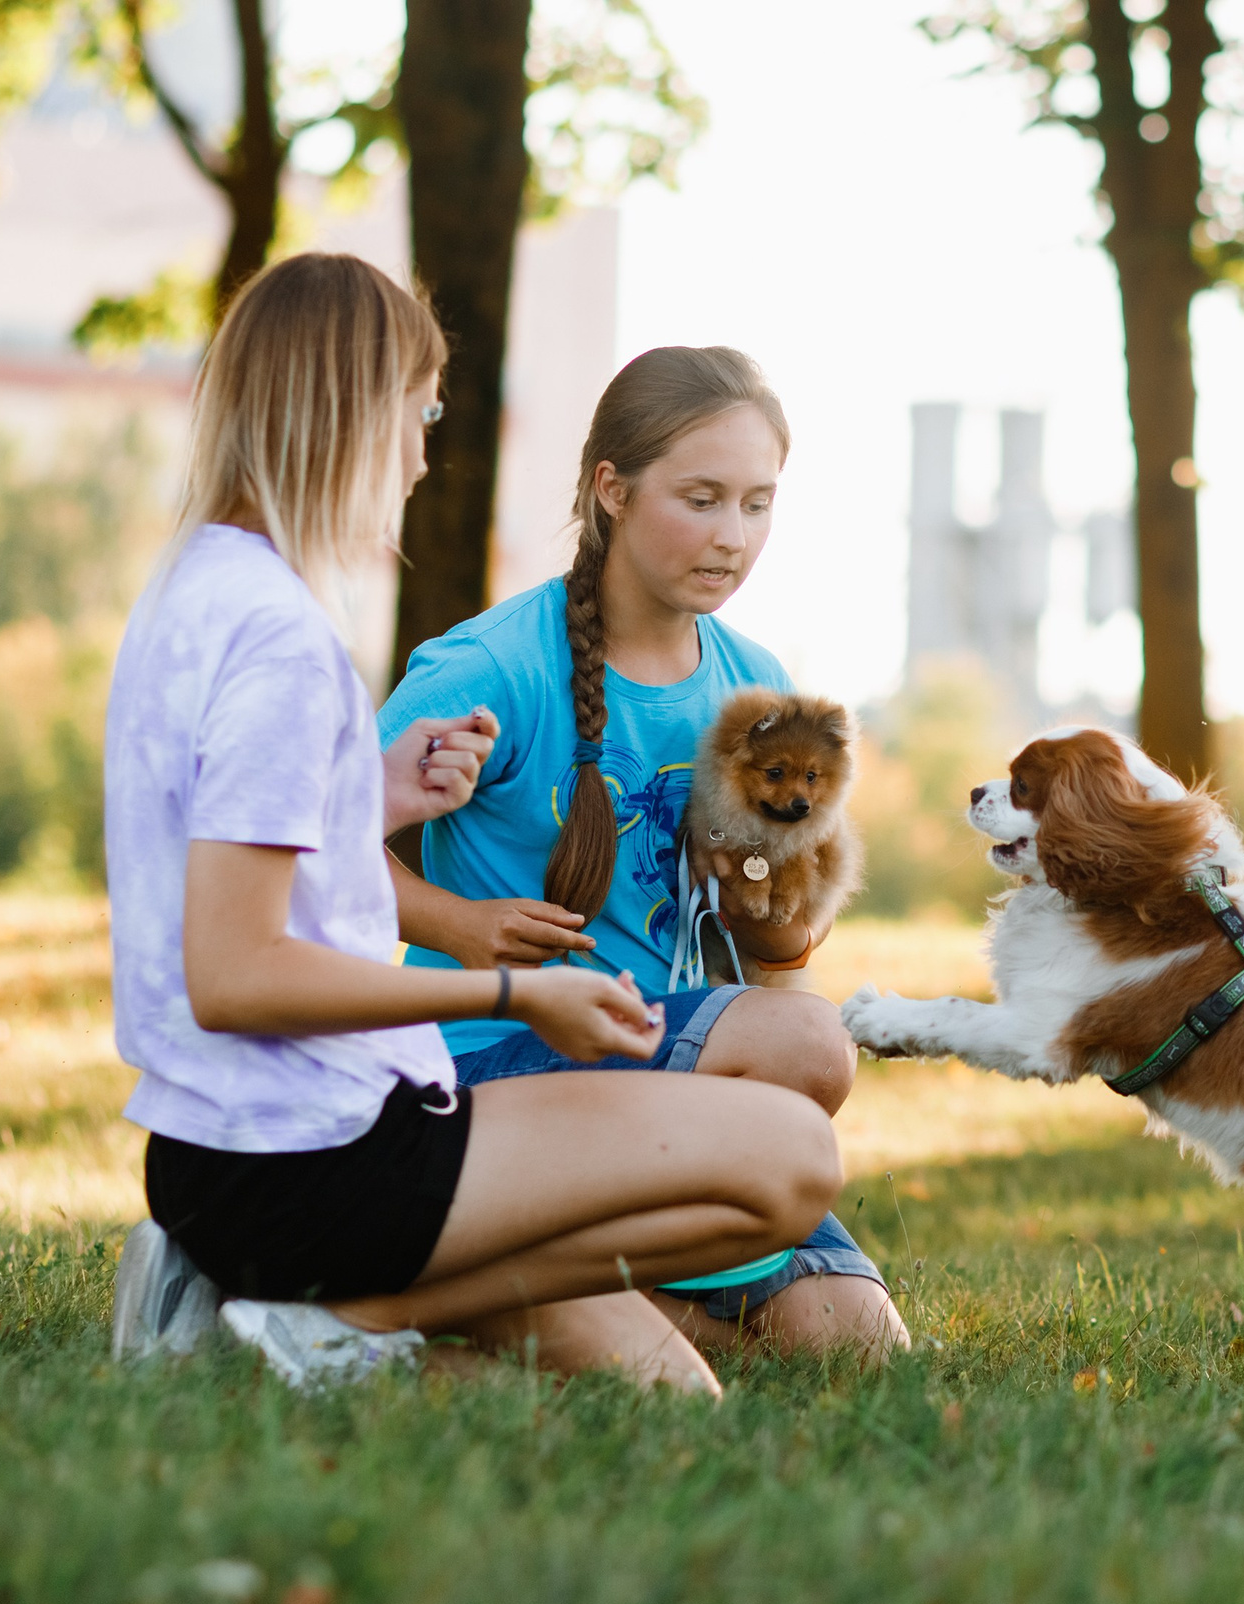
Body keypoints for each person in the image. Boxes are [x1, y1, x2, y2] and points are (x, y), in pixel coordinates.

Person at [104, 255, 844, 1395]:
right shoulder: (285, 639)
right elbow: (236, 974)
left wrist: (373, 795)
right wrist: (511, 991)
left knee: (669, 1394)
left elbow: (217, 849)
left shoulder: (200, 589)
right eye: (422, 413)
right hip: (305, 1154)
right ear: (352, 412)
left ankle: (335, 1326)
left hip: (240, 1146)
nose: (421, 453)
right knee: (792, 1156)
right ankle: (322, 1306)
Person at [377, 345, 908, 1361]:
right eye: (700, 499)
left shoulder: (754, 681)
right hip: (487, 1067)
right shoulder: (491, 664)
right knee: (807, 1046)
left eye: (756, 504)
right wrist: (457, 924)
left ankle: (502, 1295)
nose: (731, 536)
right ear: (611, 489)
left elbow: (776, 954)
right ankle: (471, 1260)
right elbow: (306, 839)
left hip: (663, 1071)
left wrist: (773, 908)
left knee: (857, 1344)